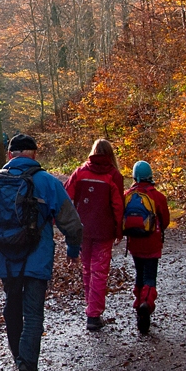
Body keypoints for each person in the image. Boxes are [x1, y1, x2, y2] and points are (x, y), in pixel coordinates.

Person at [0, 134, 84, 371]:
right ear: (34, 154)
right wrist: (73, 249)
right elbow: (71, 222)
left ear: (9, 156)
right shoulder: (48, 182)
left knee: (12, 310)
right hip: (36, 260)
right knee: (33, 315)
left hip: (5, 259)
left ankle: (21, 366)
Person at [65, 139, 125, 331]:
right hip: (104, 230)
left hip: (83, 229)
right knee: (99, 271)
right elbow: (118, 206)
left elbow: (67, 196)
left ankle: (91, 309)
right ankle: (94, 313)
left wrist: (69, 225)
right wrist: (118, 229)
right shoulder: (113, 175)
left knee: (87, 269)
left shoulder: (80, 172)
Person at [125, 160, 170, 334]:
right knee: (150, 276)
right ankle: (146, 303)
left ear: (135, 176)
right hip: (152, 242)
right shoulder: (158, 196)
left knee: (139, 274)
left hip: (135, 243)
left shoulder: (128, 194)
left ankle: (139, 306)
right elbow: (165, 220)